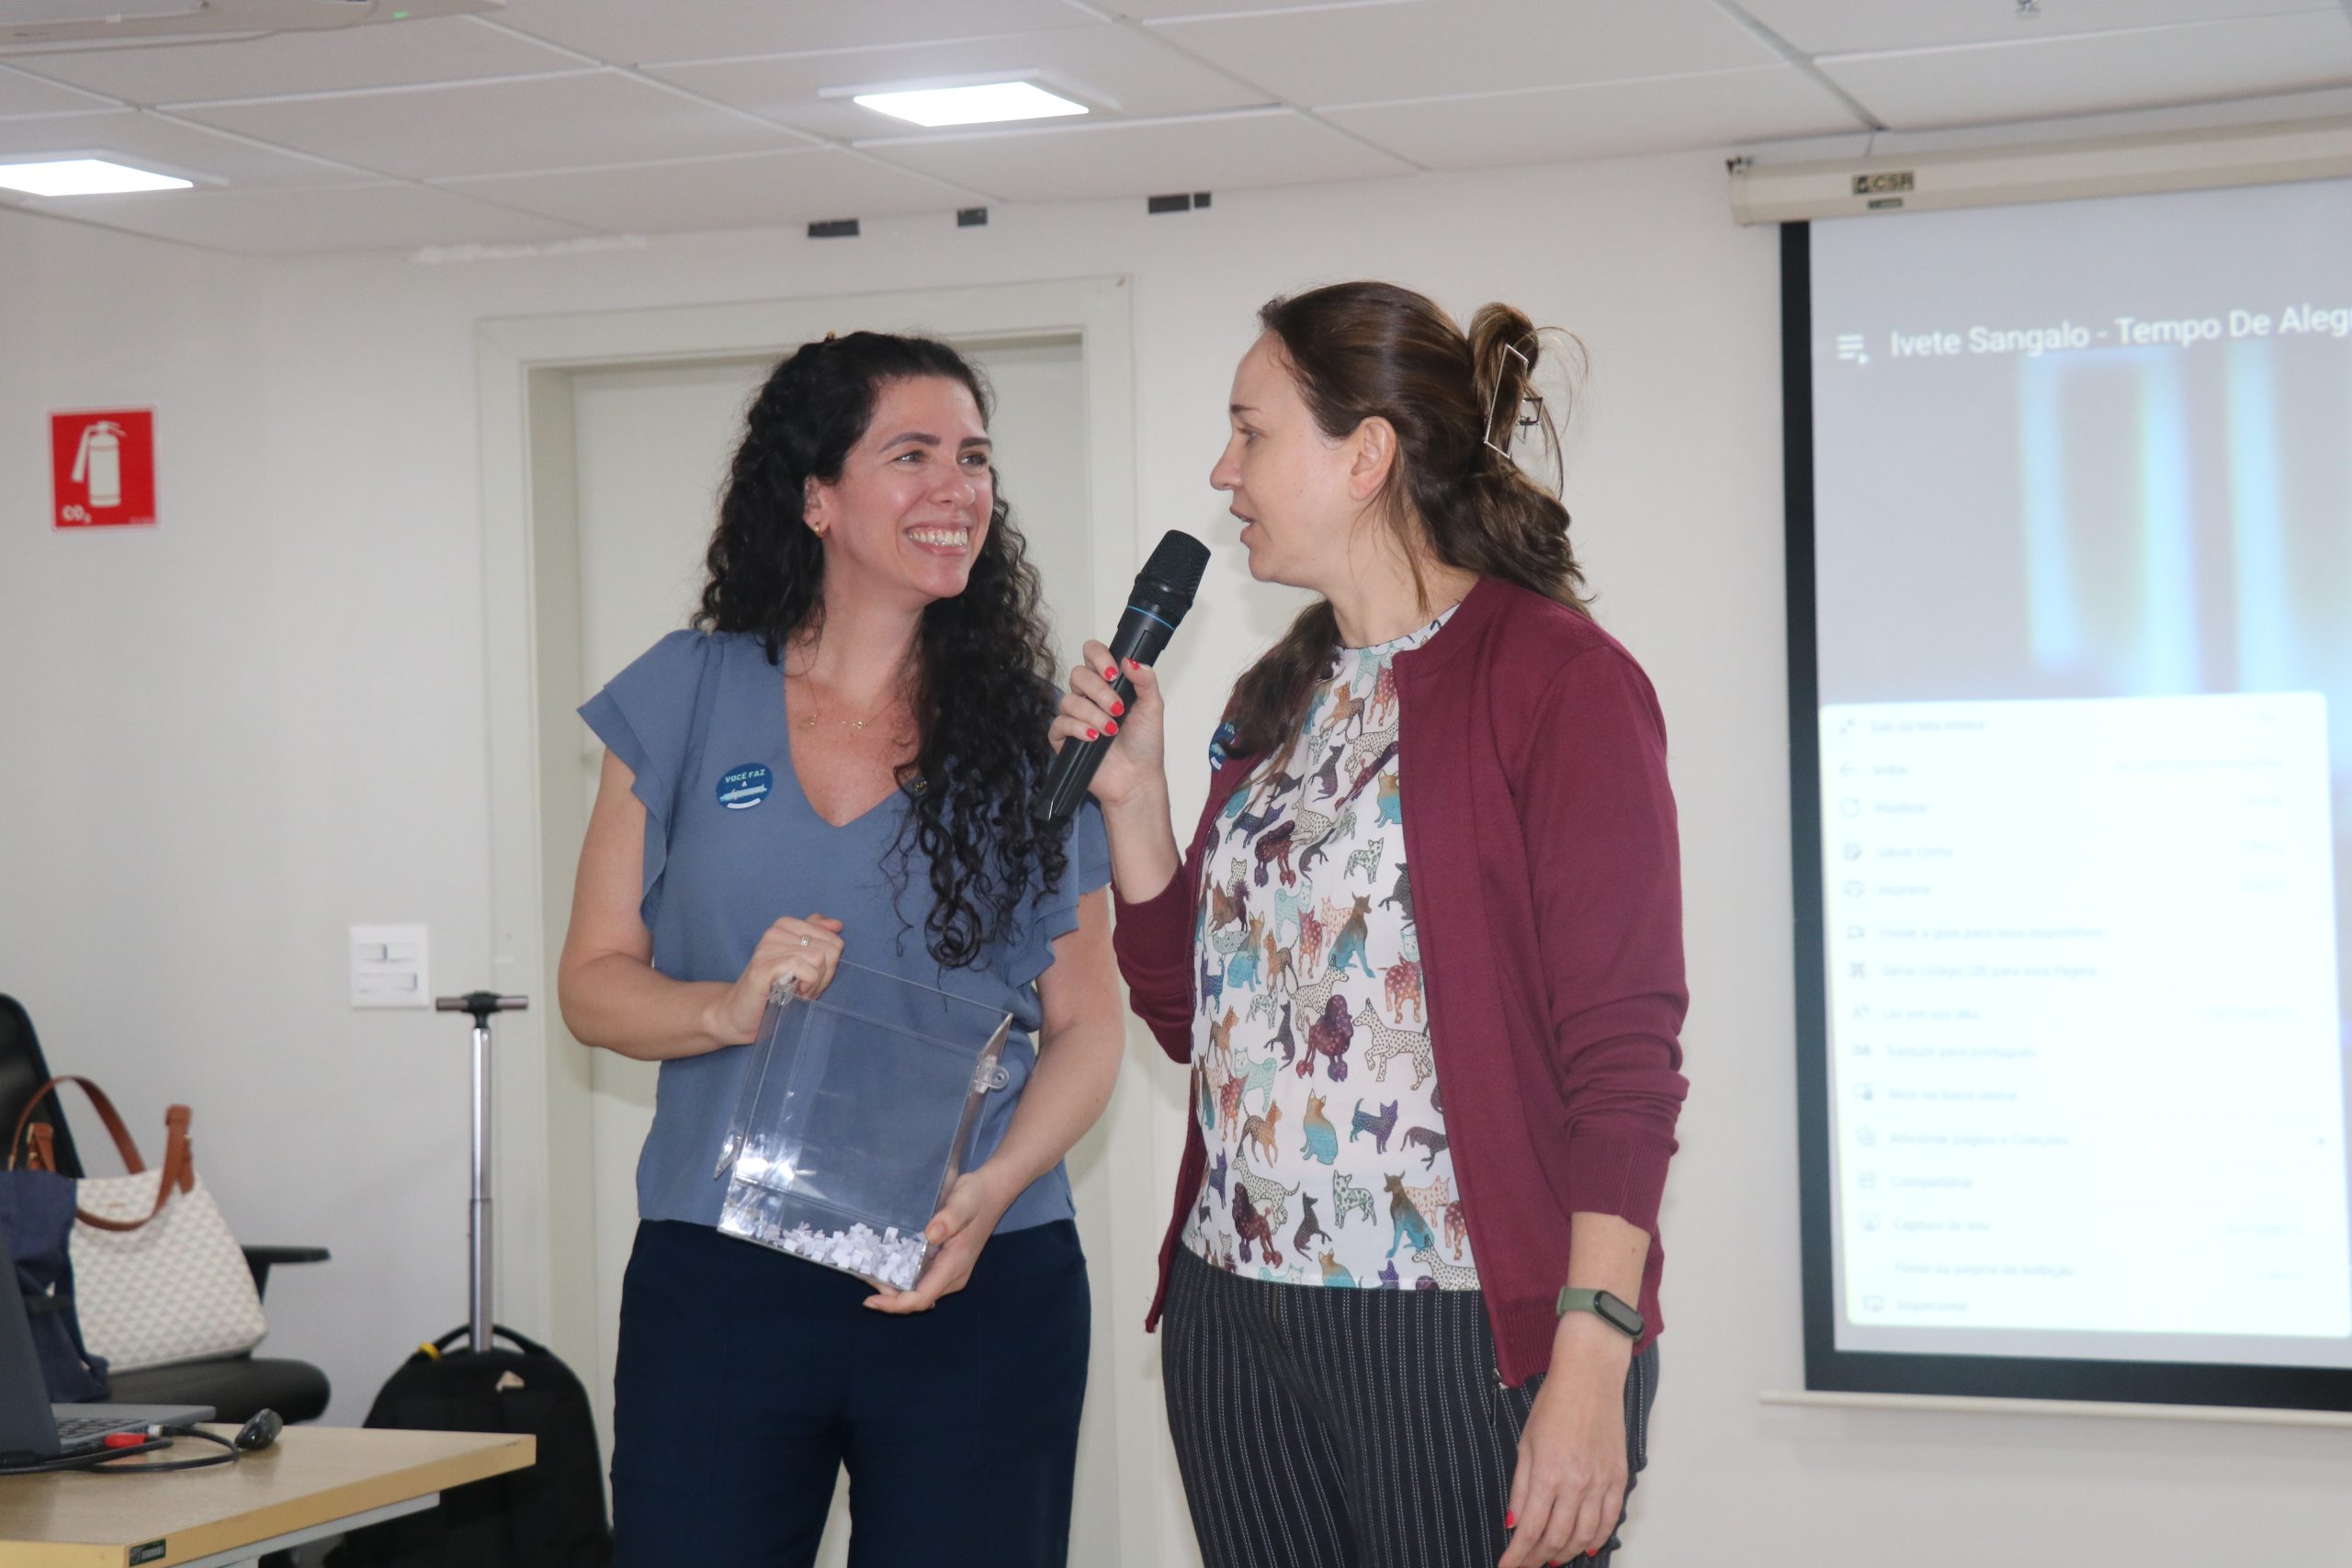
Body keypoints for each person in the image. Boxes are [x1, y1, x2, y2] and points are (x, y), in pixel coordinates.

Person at [1055, 282, 1688, 1568]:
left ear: (1368, 452)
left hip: (1460, 1329)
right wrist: (1135, 805)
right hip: (1240, 1318)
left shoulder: (1560, 680)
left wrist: (1590, 1352)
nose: (1222, 470)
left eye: (1251, 431)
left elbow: (1625, 1063)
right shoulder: (1275, 693)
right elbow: (1193, 1021)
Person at [559, 331, 1124, 1568]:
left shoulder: (1042, 741)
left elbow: (1088, 1025)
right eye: (910, 454)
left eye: (973, 458)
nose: (955, 488)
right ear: (816, 496)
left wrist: (991, 1191)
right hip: (723, 1279)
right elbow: (594, 986)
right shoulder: (685, 694)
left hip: (975, 1269)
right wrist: (724, 1011)